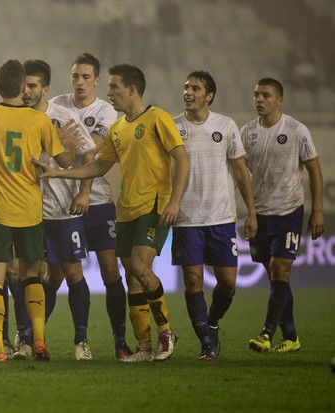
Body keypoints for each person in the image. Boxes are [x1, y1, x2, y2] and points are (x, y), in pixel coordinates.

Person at [34, 64, 190, 363]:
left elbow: (181, 159)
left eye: (114, 87)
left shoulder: (158, 118)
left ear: (132, 89)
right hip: (126, 209)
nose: (110, 92)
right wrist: (58, 172)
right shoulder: (118, 129)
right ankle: (143, 346)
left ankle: (166, 332)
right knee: (132, 277)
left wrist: (174, 201)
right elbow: (97, 166)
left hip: (154, 206)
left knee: (142, 270)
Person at [0, 59, 78, 362]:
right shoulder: (39, 121)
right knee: (32, 274)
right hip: (30, 208)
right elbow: (65, 162)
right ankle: (39, 341)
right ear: (21, 87)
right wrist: (65, 144)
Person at [49, 53, 133, 360]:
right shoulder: (56, 105)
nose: (80, 82)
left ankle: (120, 342)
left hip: (97, 202)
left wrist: (60, 140)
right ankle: (35, 341)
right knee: (56, 276)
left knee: (111, 271)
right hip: (62, 206)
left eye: (86, 77)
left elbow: (91, 149)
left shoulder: (107, 112)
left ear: (97, 80)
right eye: (75, 76)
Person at [172, 71, 257, 360]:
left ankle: (212, 322)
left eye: (195, 88)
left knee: (228, 283)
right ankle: (206, 342)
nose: (188, 92)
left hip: (221, 217)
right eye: (186, 87)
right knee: (193, 281)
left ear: (209, 95)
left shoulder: (226, 125)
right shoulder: (173, 127)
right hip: (186, 219)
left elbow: (241, 173)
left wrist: (252, 213)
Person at [19, 59, 96, 360]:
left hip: (63, 211)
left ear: (46, 89)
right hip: (28, 210)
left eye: (32, 85)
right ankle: (29, 339)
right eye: (23, 85)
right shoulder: (16, 117)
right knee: (30, 274)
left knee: (71, 273)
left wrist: (85, 192)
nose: (26, 91)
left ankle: (82, 341)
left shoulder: (63, 117)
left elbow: (90, 154)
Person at [242, 78, 324, 353]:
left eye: (265, 95)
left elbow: (314, 170)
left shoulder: (296, 130)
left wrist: (318, 211)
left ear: (280, 100)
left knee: (281, 270)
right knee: (276, 278)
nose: (259, 100)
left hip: (289, 210)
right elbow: (241, 174)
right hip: (260, 213)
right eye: (256, 95)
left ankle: (266, 334)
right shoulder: (247, 132)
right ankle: (291, 337)